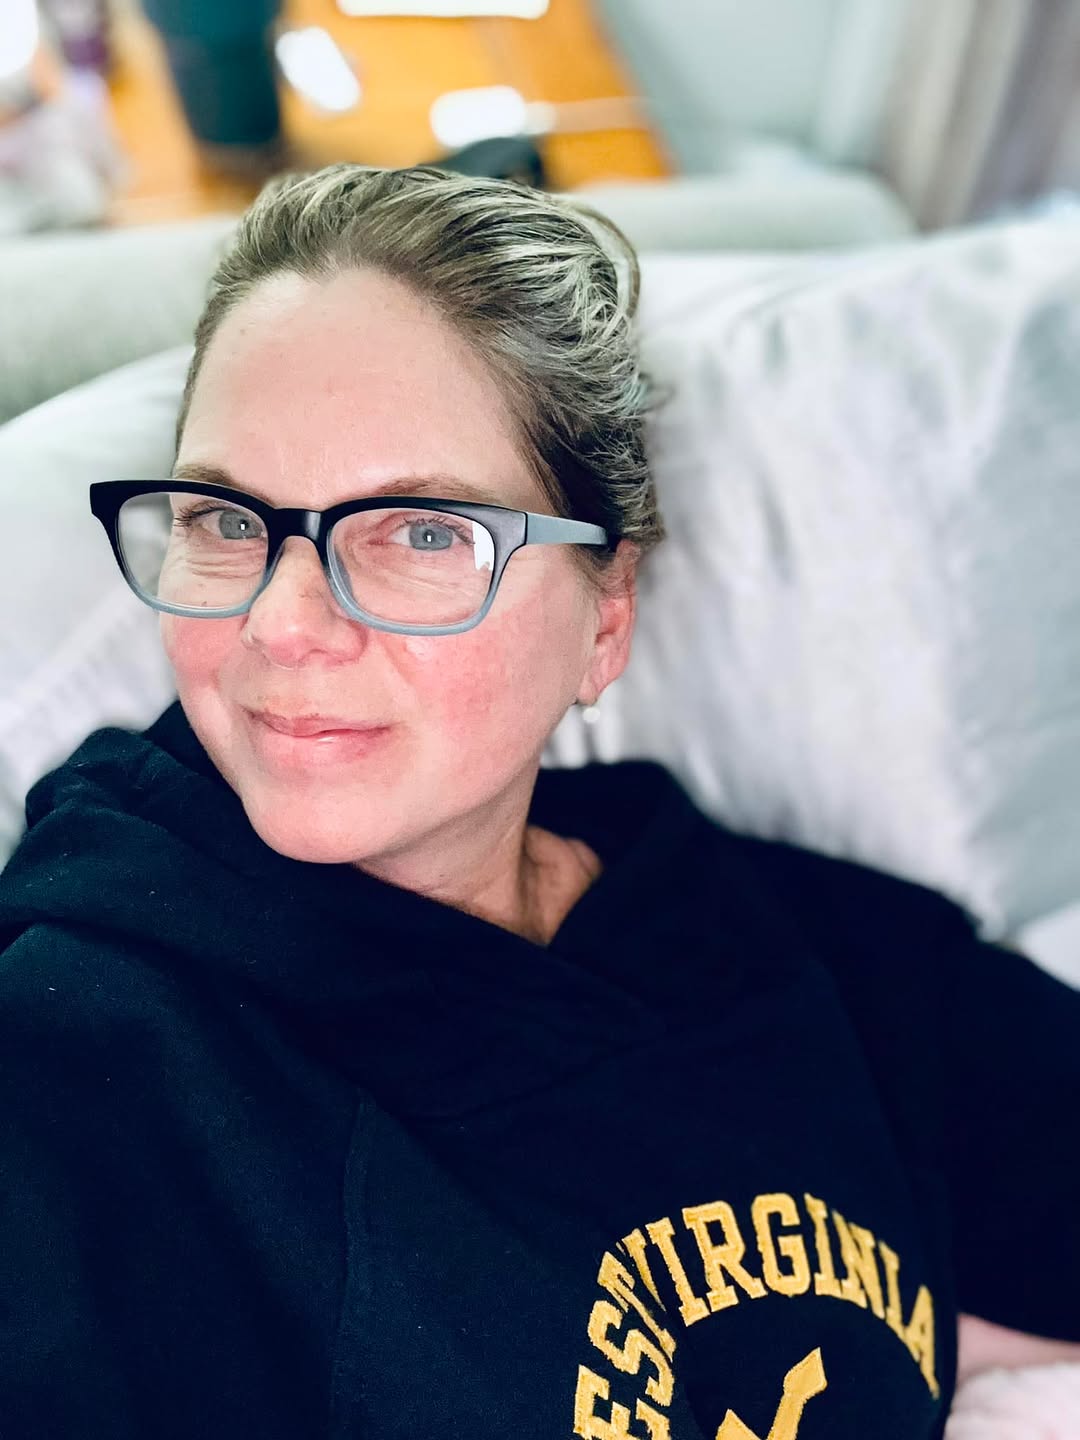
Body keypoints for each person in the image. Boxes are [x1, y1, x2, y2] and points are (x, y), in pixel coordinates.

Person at [0, 162, 1077, 1440]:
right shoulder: (81, 1067)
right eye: (225, 519)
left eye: (422, 533)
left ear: (604, 618)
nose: (281, 624)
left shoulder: (800, 952)